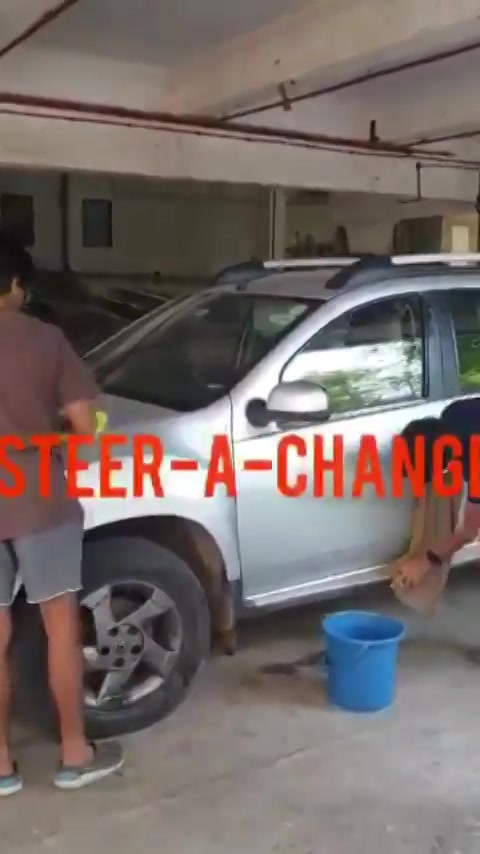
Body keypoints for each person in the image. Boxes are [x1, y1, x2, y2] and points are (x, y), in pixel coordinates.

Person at [0, 234, 124, 795]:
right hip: (37, 496)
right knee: (58, 627)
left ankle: (0, 765)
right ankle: (76, 754)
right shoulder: (46, 340)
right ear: (17, 289)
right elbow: (88, 433)